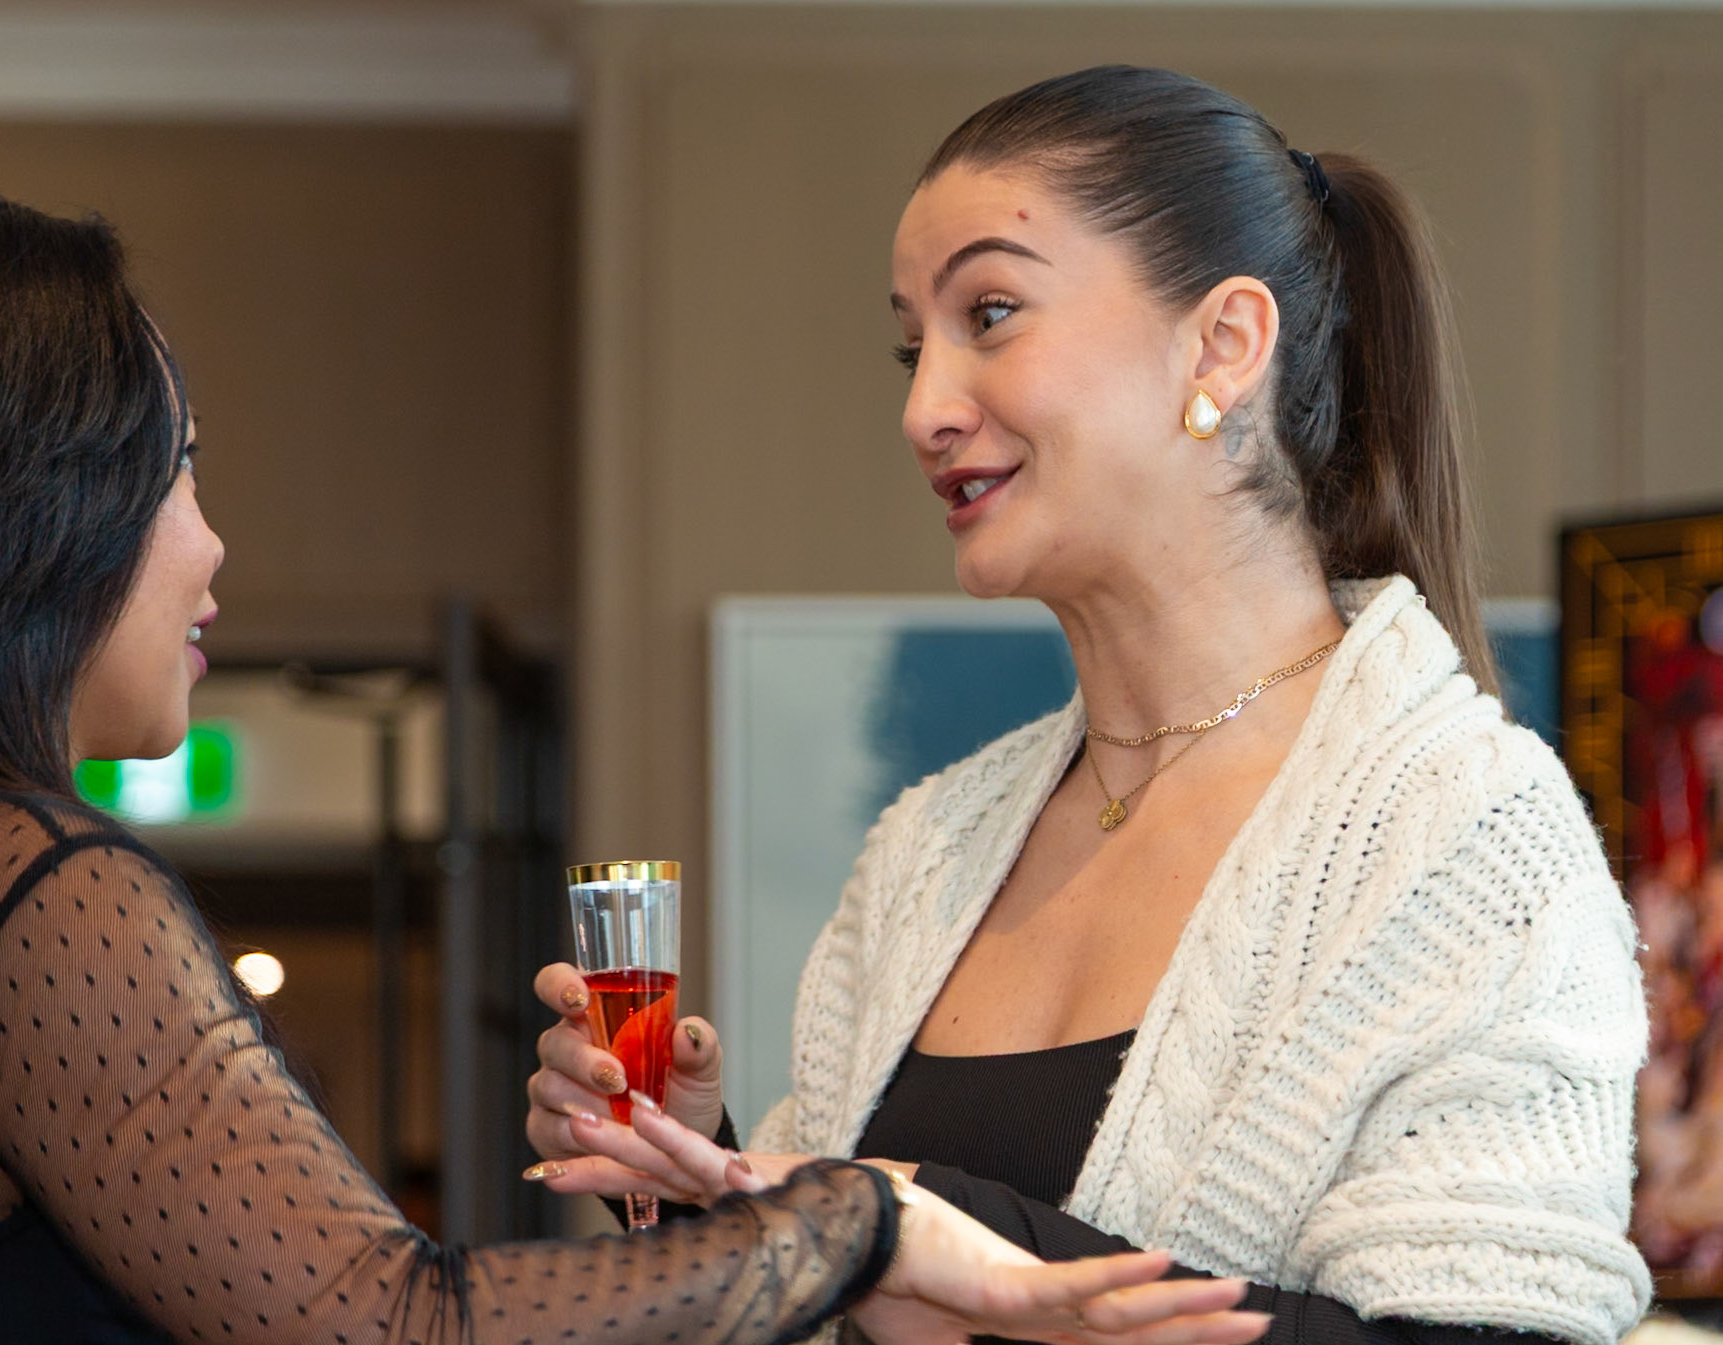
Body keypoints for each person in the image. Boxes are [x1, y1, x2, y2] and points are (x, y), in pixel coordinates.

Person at [0, 171, 1281, 1345]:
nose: (212, 540)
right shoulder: (27, 885)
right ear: (37, 504)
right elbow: (393, 1321)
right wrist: (857, 1220)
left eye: (989, 315)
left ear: (1226, 346)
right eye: (175, 469)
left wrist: (711, 1183)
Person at [525, 65, 1652, 1345]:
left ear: (1222, 346)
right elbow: (854, 1285)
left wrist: (929, 1227)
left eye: (990, 314)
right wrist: (703, 1183)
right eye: (911, 347)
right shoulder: (928, 851)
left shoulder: (1469, 839)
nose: (923, 409)